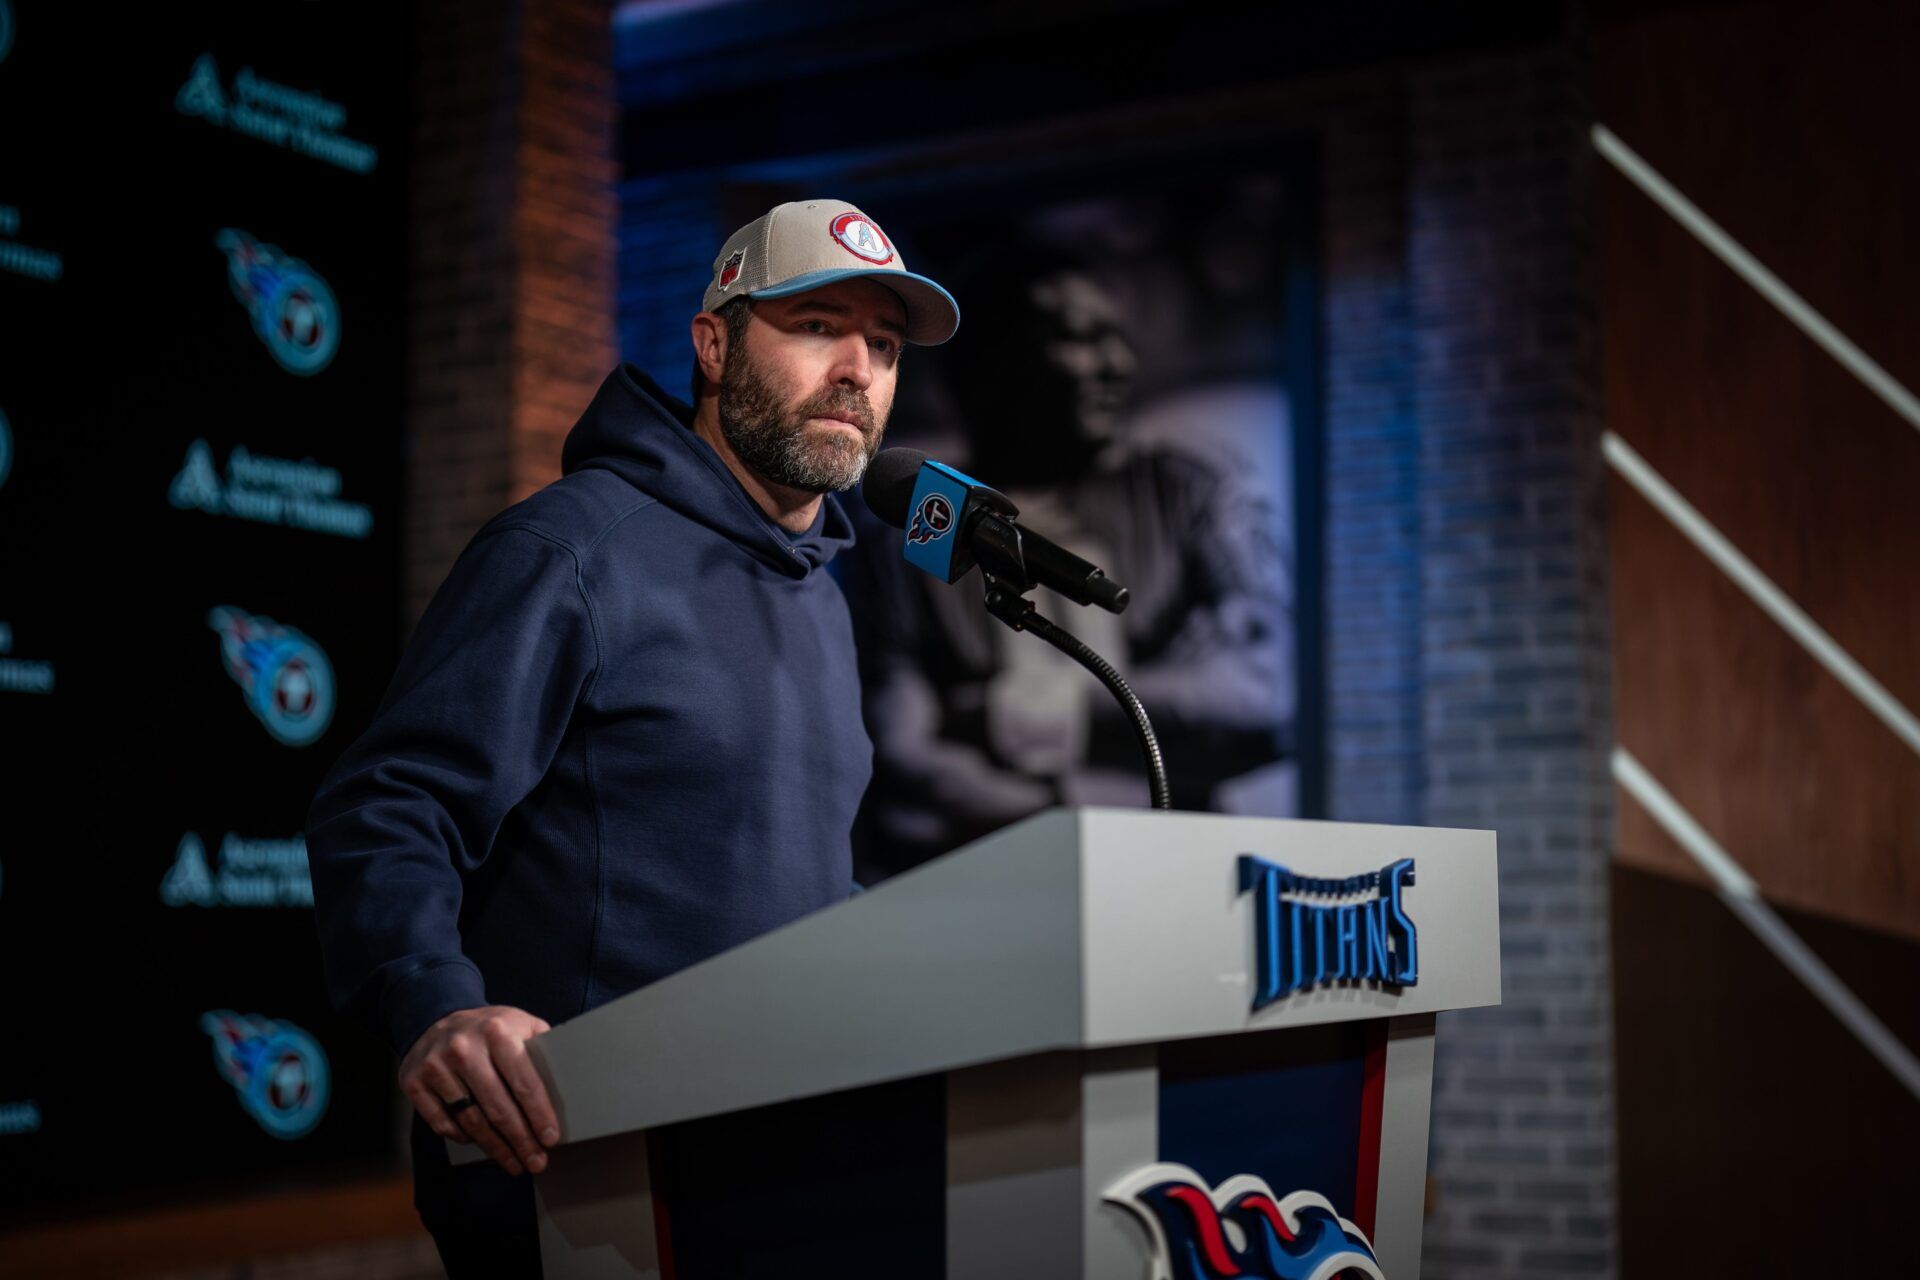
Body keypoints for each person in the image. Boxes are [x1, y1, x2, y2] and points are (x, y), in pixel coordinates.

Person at [305, 200, 958, 1275]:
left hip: (785, 1163)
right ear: (713, 345)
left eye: (883, 346)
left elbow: (772, 879)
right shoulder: (569, 551)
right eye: (814, 326)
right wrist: (435, 1001)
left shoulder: (826, 595)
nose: (858, 369)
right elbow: (389, 804)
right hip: (588, 1166)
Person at [845, 244, 1293, 874]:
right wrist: (1068, 813)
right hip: (986, 878)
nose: (1117, 364)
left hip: (1176, 867)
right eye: (1081, 338)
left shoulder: (1186, 492)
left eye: (1119, 339)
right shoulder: (928, 516)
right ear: (987, 367)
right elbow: (901, 751)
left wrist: (1020, 714)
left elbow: (1263, 697)